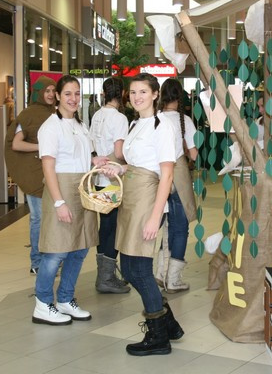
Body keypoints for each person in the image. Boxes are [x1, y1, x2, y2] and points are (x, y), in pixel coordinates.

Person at [102, 73, 184, 356]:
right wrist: (118, 168)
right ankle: (168, 324)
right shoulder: (135, 123)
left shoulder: (163, 127)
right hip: (131, 198)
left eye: (143, 92)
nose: (137, 97)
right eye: (133, 92)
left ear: (155, 94)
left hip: (148, 202)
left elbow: (166, 175)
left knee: (137, 269)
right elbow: (137, 164)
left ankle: (158, 336)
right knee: (130, 267)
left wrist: (154, 217)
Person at [32, 75, 108, 326]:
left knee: (80, 247)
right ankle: (43, 303)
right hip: (61, 190)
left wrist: (94, 161)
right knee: (56, 251)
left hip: (82, 188)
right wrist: (58, 203)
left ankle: (65, 298)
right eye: (67, 94)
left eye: (76, 93)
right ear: (57, 96)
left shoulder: (80, 124)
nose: (73, 98)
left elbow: (79, 156)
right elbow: (48, 168)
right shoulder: (50, 127)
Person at [4, 76, 56, 275]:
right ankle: (37, 262)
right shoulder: (27, 115)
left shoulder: (54, 113)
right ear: (38, 92)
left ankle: (49, 260)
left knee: (50, 218)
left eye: (53, 90)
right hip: (33, 175)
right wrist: (42, 147)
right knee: (38, 218)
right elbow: (16, 144)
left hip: (49, 172)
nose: (50, 94)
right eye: (47, 91)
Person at [155, 78, 198, 293]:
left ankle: (160, 272)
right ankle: (173, 279)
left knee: (162, 226)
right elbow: (194, 154)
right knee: (180, 228)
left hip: (158, 177)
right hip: (179, 176)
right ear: (180, 97)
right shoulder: (185, 121)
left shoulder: (155, 119)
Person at [89, 78, 131, 294]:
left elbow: (92, 145)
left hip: (99, 178)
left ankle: (103, 275)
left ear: (104, 93)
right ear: (122, 93)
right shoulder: (120, 118)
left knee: (104, 227)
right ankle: (106, 278)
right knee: (114, 228)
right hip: (114, 178)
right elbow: (120, 152)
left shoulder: (97, 115)